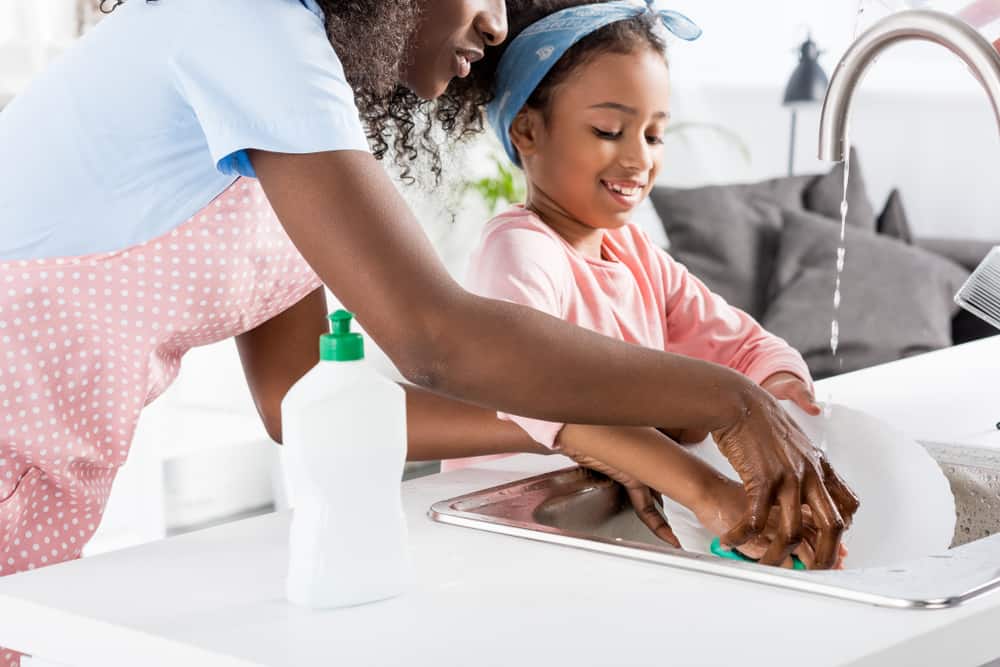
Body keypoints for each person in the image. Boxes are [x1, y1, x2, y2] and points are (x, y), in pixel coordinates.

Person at [0, 1, 857, 661]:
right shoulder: (246, 25)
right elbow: (433, 336)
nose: (497, 23)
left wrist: (582, 431)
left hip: (43, 491)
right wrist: (727, 401)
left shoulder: (301, 91)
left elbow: (297, 398)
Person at [442, 1, 848, 568]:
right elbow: (537, 394)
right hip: (502, 532)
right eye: (609, 131)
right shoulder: (519, 251)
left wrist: (782, 403)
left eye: (655, 135)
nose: (638, 158)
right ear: (527, 131)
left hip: (597, 525)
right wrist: (709, 492)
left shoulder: (634, 255)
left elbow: (746, 348)